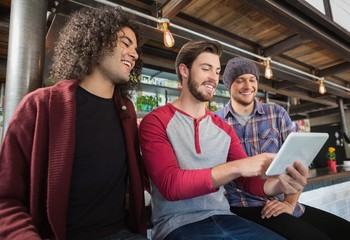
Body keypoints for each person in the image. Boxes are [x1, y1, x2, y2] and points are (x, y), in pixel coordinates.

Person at [0, 6, 148, 240]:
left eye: (136, 48)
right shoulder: (40, 105)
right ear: (96, 41)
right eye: (125, 42)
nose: (135, 53)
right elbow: (6, 198)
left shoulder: (126, 111)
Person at [139, 40, 309, 240]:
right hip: (177, 224)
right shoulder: (155, 121)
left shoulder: (223, 128)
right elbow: (170, 185)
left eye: (217, 71)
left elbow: (248, 182)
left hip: (225, 217)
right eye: (206, 68)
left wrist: (281, 184)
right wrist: (238, 166)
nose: (213, 77)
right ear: (184, 70)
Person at [214, 56, 350, 240]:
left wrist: (290, 204)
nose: (248, 85)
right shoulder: (215, 121)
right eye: (240, 80)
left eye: (252, 79)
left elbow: (299, 162)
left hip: (280, 203)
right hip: (242, 207)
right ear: (228, 85)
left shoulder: (276, 113)